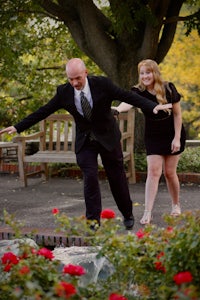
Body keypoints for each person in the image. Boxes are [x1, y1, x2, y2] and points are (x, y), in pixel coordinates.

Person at [0, 58, 172, 230]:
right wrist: (17, 126)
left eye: (78, 78)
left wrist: (152, 106)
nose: (74, 83)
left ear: (86, 73)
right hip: (85, 141)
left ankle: (127, 213)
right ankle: (93, 222)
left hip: (108, 137)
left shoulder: (102, 84)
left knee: (116, 177)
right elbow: (43, 111)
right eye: (71, 79)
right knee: (90, 178)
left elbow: (128, 96)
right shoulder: (64, 92)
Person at [114, 59, 186, 225]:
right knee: (153, 172)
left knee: (169, 172)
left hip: (172, 133)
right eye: (142, 73)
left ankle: (176, 205)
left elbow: (177, 114)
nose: (145, 76)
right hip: (153, 135)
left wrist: (176, 138)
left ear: (155, 72)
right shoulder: (138, 91)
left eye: (148, 72)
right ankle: (148, 212)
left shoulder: (168, 88)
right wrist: (117, 109)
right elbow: (128, 102)